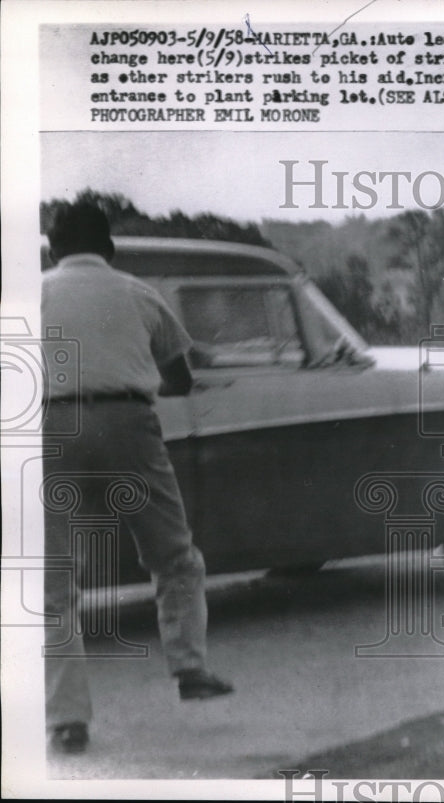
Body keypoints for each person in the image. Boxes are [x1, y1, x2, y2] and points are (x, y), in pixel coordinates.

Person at [42, 203, 233, 755]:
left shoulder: (29, 295)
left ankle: (68, 720)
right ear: (110, 248)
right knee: (175, 555)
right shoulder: (137, 292)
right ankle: (190, 668)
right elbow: (180, 377)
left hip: (50, 425)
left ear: (53, 250)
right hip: (128, 421)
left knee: (53, 582)